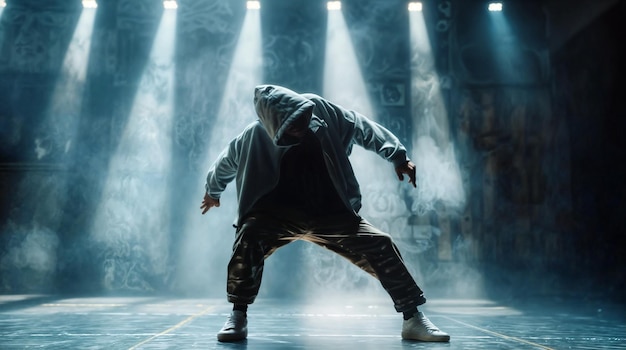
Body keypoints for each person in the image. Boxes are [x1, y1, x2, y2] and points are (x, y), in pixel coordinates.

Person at [201, 84, 450, 343]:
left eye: (303, 117)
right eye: (293, 124)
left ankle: (413, 318)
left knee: (381, 244)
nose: (302, 125)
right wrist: (213, 191)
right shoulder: (254, 135)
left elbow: (362, 127)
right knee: (248, 237)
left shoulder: (321, 112)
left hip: (329, 213)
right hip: (275, 215)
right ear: (276, 124)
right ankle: (238, 315)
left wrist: (397, 155)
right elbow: (226, 162)